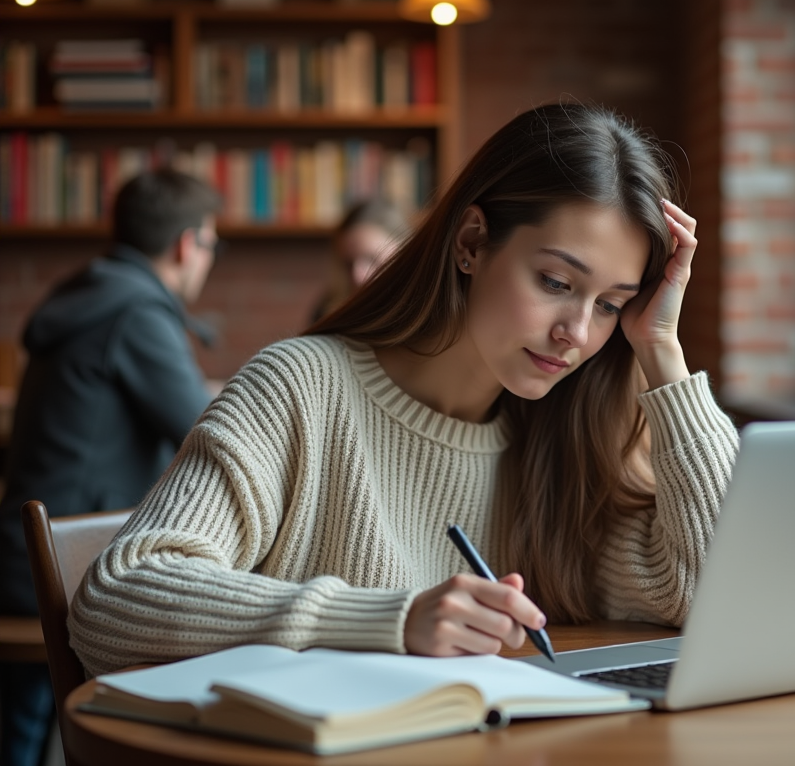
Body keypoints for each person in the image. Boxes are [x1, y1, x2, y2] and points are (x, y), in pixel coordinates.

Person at [67, 103, 739, 678]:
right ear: (473, 242)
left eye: (610, 305)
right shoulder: (303, 387)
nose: (577, 333)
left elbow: (713, 595)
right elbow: (116, 599)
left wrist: (661, 353)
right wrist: (392, 619)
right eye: (557, 284)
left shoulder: (563, 435)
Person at [0, 169, 221, 766]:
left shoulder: (90, 294)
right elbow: (211, 432)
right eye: (211, 246)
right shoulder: (138, 313)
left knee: (22, 729)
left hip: (26, 555)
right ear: (186, 243)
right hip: (57, 573)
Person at [311, 199, 408, 323]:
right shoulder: (326, 312)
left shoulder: (424, 312)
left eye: (371, 259)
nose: (357, 276)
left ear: (403, 251)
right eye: (348, 264)